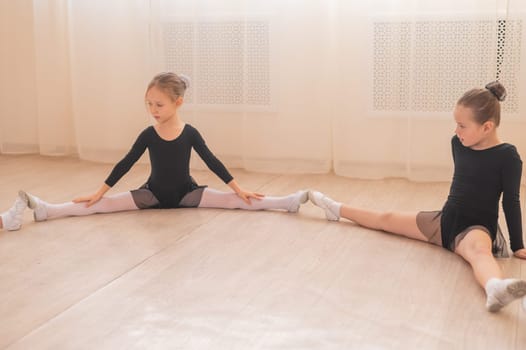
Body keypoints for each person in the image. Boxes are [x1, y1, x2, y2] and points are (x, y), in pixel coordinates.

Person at [308, 81, 526, 312]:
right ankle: (336, 208)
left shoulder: (508, 157)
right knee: (386, 218)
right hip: (444, 221)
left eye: (462, 125)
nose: (456, 131)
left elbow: (511, 200)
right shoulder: (458, 144)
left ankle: (495, 288)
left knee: (479, 253)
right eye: (456, 124)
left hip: (475, 229)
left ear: (487, 127)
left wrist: (518, 245)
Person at [0, 72, 307, 231]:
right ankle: (47, 209)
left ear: (178, 103)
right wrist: (99, 191)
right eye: (148, 104)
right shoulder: (149, 134)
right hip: (152, 195)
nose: (153, 110)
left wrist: (238, 188)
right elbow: (126, 162)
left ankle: (287, 202)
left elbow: (212, 162)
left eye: (159, 105)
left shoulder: (190, 133)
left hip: (189, 194)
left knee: (237, 202)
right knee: (101, 206)